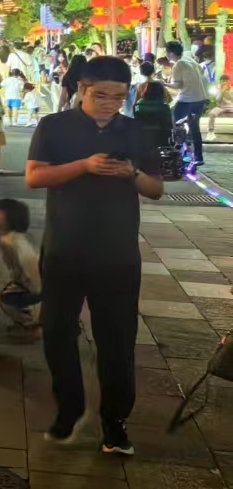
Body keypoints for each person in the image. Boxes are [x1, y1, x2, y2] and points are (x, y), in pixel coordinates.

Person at [26, 55, 164, 454]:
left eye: (118, 97)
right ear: (82, 89)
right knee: (57, 332)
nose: (109, 104)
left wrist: (131, 174)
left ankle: (115, 421)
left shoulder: (135, 131)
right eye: (101, 95)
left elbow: (156, 188)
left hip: (117, 252)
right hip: (65, 247)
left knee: (117, 338)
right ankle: (69, 408)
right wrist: (84, 166)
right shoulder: (54, 126)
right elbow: (35, 176)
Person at [0, 198, 41, 329]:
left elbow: (29, 263)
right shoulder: (9, 238)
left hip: (35, 286)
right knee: (7, 292)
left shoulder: (14, 241)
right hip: (29, 283)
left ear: (9, 219)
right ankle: (26, 318)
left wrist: (32, 286)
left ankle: (32, 322)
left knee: (6, 298)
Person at [165, 40, 209, 172]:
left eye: (167, 52)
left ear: (171, 53)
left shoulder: (178, 65)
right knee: (195, 128)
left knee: (169, 120)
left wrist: (164, 83)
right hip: (201, 99)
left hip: (187, 100)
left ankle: (176, 148)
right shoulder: (190, 61)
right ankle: (198, 157)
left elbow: (178, 85)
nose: (166, 54)